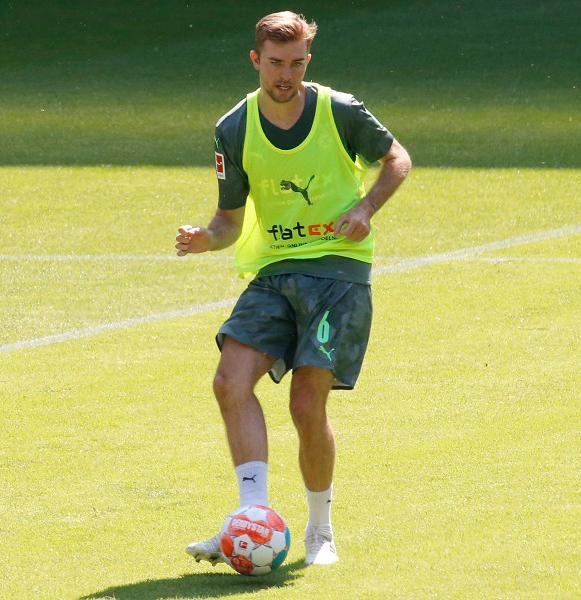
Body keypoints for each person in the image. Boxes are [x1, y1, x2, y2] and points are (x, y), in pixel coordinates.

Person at [175, 11, 411, 567]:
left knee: (306, 403)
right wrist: (204, 239)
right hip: (274, 272)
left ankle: (319, 532)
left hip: (337, 273)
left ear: (309, 58)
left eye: (297, 62)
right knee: (230, 381)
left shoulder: (340, 110)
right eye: (276, 63)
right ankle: (252, 519)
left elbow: (397, 158)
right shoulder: (233, 127)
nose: (287, 74)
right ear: (256, 60)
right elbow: (229, 221)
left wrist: (365, 206)